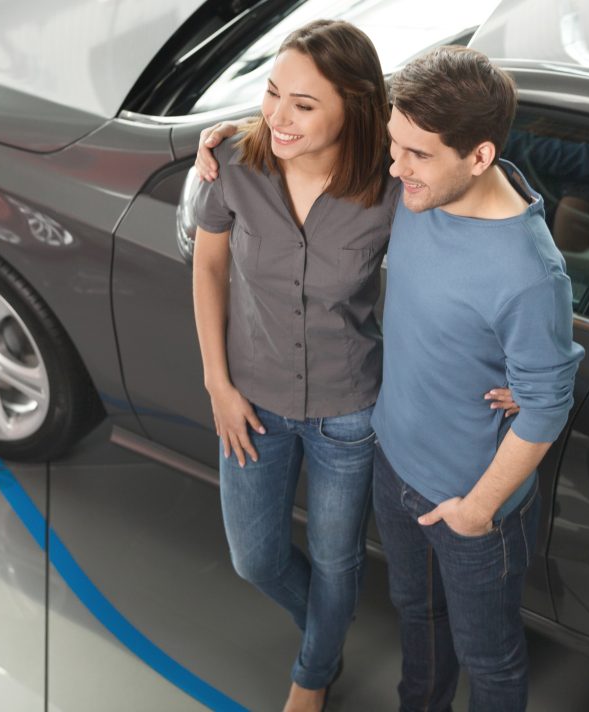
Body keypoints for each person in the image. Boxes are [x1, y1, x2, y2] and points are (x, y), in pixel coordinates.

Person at [190, 21, 517, 712]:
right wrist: (217, 383)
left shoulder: (392, 182)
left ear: (355, 106)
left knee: (339, 562)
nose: (279, 116)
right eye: (273, 93)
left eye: (304, 105)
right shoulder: (234, 163)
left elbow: (492, 197)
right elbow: (210, 264)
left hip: (351, 410)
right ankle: (327, 625)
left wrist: (525, 360)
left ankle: (314, 671)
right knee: (256, 557)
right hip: (252, 400)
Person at [371, 47, 583, 711]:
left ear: (480, 156)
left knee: (489, 662)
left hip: (472, 509)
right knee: (416, 618)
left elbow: (547, 407)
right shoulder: (423, 187)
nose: (396, 167)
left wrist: (476, 511)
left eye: (416, 154)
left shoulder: (527, 275)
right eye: (394, 145)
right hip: (394, 465)